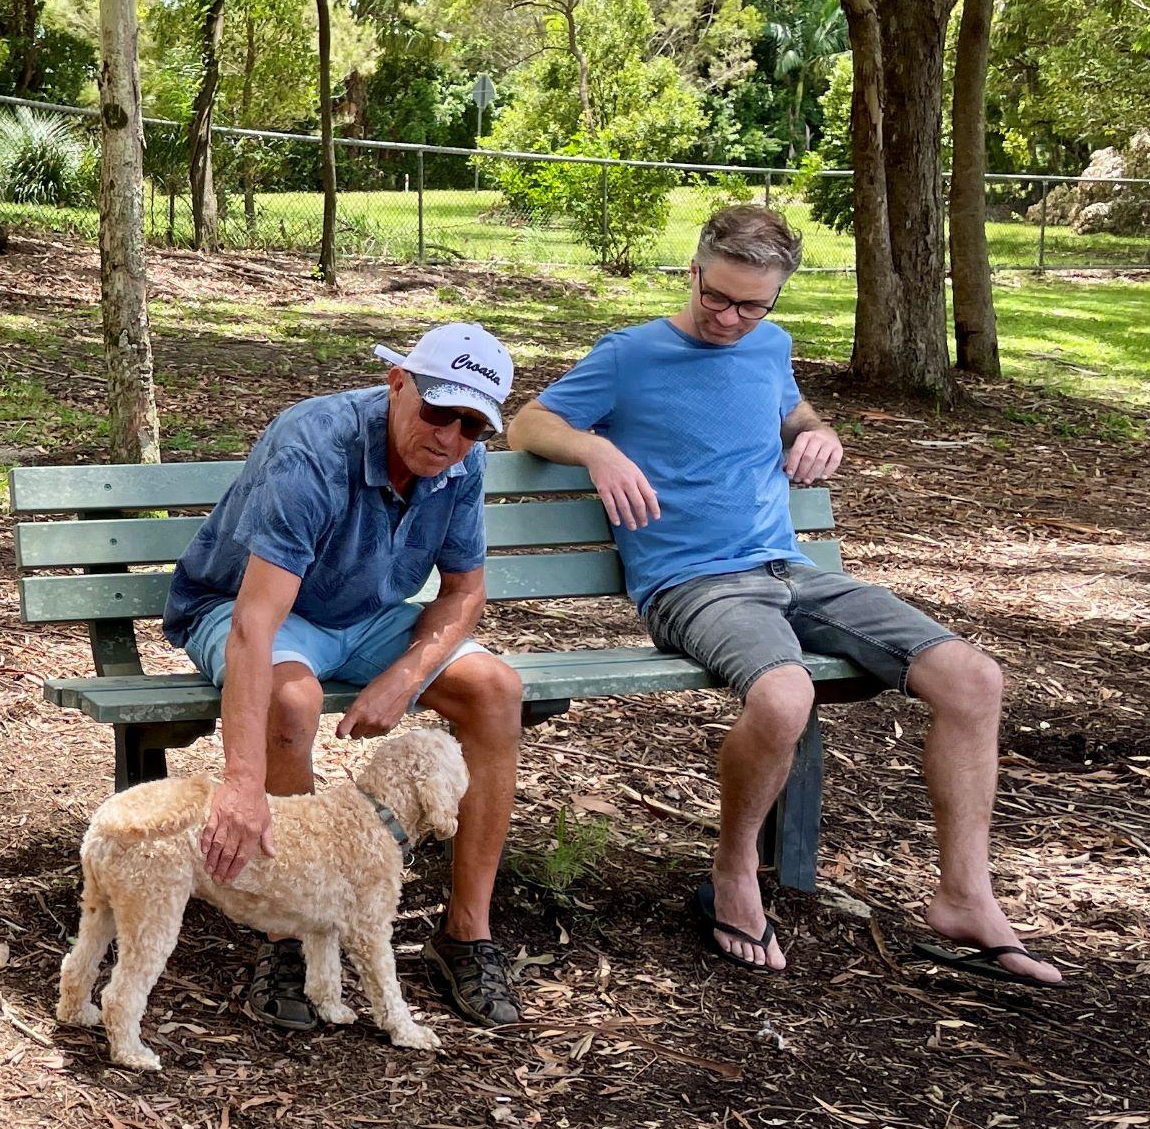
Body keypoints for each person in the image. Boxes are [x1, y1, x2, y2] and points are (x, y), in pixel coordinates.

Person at [507, 202, 1062, 983]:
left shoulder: (769, 346)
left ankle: (965, 896)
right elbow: (526, 424)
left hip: (787, 571)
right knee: (782, 696)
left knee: (973, 677)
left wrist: (815, 430)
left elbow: (788, 406)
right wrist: (595, 449)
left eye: (751, 304)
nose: (730, 317)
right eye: (717, 296)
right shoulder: (630, 354)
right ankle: (733, 871)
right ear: (693, 270)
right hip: (690, 583)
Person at [163, 323, 527, 1031]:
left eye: (472, 425)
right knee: (292, 700)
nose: (449, 435)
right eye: (437, 411)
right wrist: (238, 782)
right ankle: (287, 935)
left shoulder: (460, 463)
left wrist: (406, 672)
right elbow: (252, 625)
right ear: (398, 383)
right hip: (252, 604)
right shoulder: (314, 444)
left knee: (495, 690)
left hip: (369, 614)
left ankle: (467, 933)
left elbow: (462, 593)